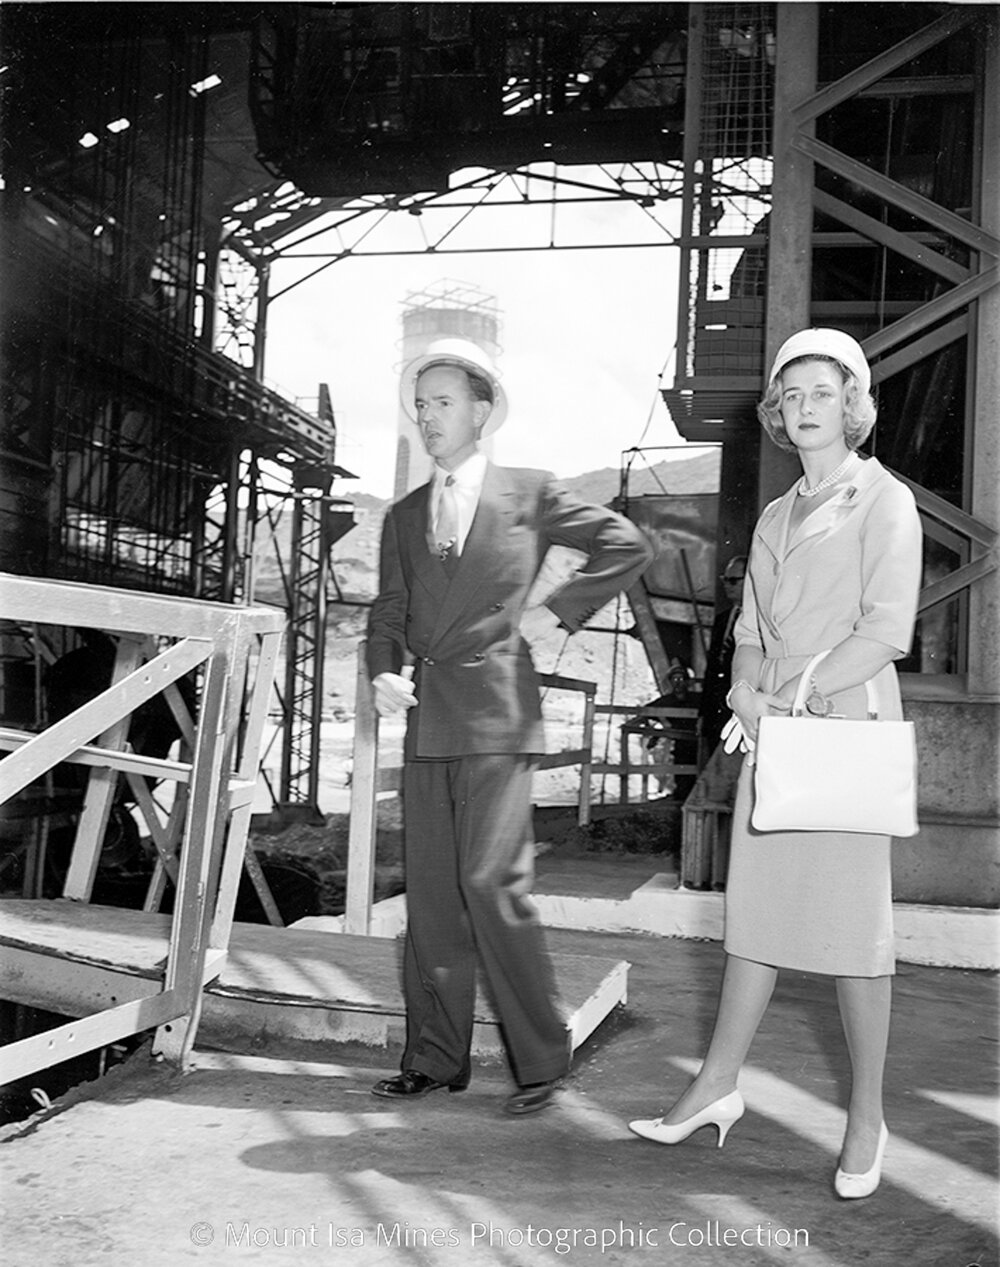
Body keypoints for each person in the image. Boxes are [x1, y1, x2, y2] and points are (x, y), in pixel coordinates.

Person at [628, 328, 922, 1200]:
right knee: (754, 921)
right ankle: (717, 1084)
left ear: (854, 404)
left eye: (820, 393)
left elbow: (886, 630)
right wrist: (748, 693)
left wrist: (790, 693)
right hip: (774, 731)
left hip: (841, 729)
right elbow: (750, 628)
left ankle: (867, 1116)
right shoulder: (773, 514)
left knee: (854, 939)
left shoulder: (885, 502)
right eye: (788, 397)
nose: (801, 409)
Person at [366, 341, 653, 1115]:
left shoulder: (530, 491)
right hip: (428, 721)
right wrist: (382, 668)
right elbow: (386, 612)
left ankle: (540, 1062)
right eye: (420, 404)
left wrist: (553, 608)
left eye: (444, 402)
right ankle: (434, 1058)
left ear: (482, 411)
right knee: (429, 896)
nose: (428, 417)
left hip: (496, 710)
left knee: (491, 884)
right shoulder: (400, 516)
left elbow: (626, 542)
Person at [698, 555, 748, 759]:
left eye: (734, 580)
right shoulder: (722, 620)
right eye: (725, 580)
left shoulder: (757, 621)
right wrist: (703, 713)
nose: (728, 586)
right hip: (716, 714)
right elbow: (711, 669)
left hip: (739, 711)